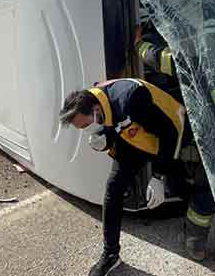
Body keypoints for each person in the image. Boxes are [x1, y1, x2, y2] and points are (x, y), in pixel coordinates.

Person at [134, 11, 215, 263]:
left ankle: (196, 242)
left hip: (211, 139)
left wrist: (139, 44)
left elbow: (160, 59)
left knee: (204, 190)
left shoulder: (196, 59)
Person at [60, 78, 185, 276]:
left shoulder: (132, 97)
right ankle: (111, 255)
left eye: (85, 126)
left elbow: (168, 133)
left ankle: (201, 230)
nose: (85, 130)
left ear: (95, 109)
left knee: (182, 182)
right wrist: (106, 140)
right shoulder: (98, 103)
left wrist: (159, 175)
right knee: (113, 188)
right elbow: (115, 125)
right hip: (137, 135)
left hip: (174, 130)